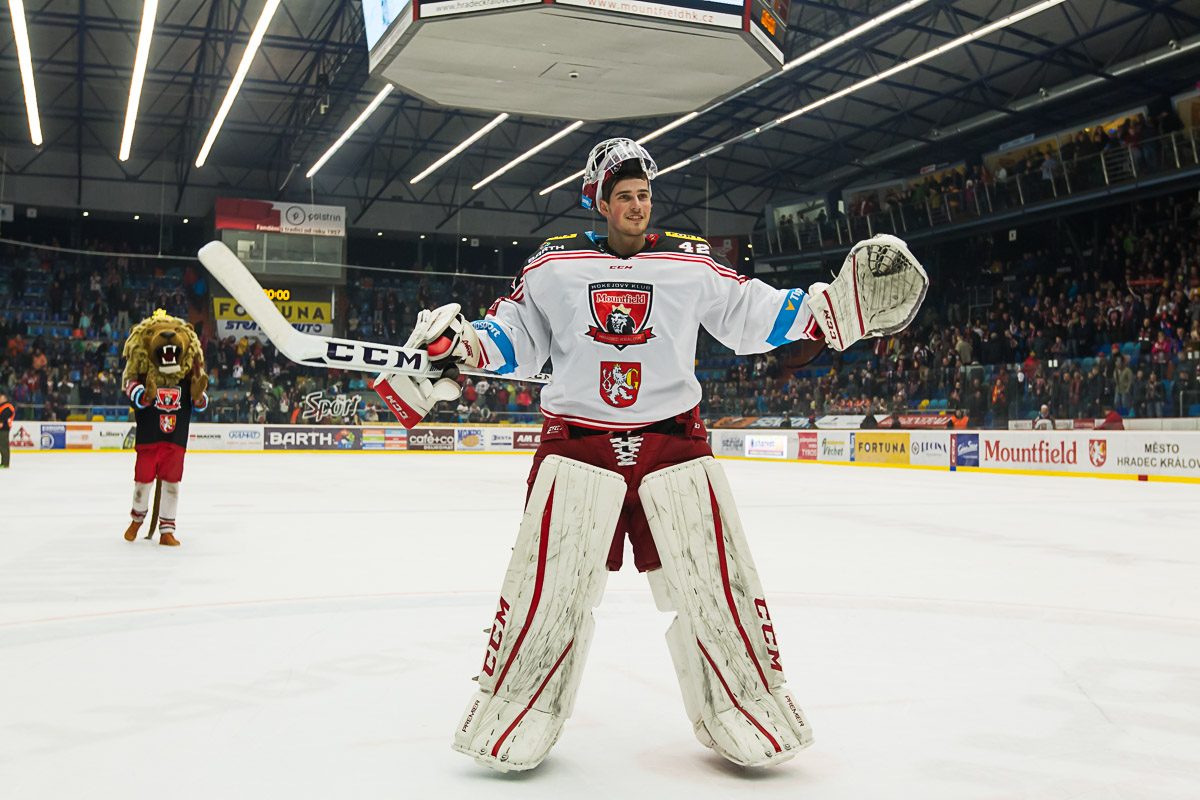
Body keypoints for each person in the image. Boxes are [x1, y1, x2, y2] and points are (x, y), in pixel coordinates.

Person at [375, 138, 926, 772]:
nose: (638, 205)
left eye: (644, 195)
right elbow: (519, 335)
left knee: (714, 578)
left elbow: (748, 310)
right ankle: (515, 705)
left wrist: (826, 311)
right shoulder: (553, 264)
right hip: (578, 439)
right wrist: (466, 344)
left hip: (672, 438)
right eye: (625, 196)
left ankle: (748, 703)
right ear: (601, 202)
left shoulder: (690, 261)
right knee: (550, 582)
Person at [0, 391, 15, 468]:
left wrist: (1, 421)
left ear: (5, 398)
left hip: (4, 429)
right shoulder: (2, 406)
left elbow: (4, 416)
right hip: (2, 429)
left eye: (1, 398)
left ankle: (5, 463)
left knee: (4, 446)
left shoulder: (8, 407)